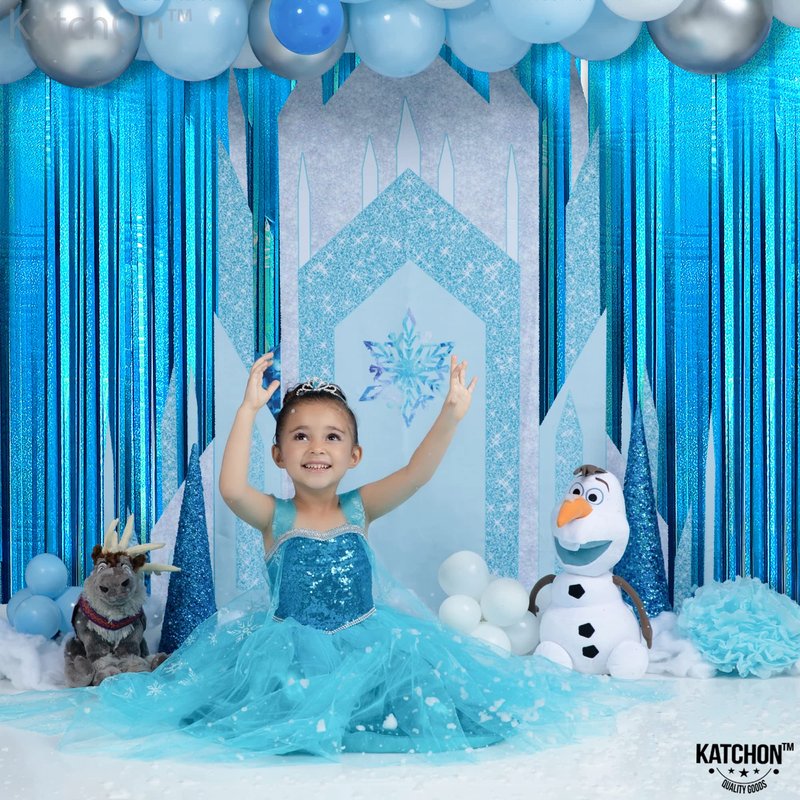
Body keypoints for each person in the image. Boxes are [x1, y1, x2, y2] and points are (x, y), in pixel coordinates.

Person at [0, 355, 657, 763]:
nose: (317, 447)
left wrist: (452, 413)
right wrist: (248, 409)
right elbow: (230, 487)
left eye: (333, 437)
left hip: (369, 642)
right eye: (301, 436)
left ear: (353, 455)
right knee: (264, 711)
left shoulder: (360, 507)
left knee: (423, 702)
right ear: (280, 453)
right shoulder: (275, 516)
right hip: (287, 650)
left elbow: (418, 472)